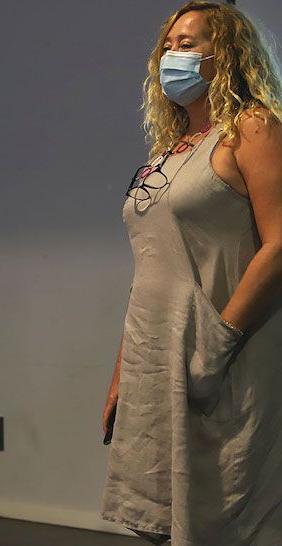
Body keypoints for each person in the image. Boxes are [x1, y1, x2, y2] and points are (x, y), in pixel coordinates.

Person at [101, 2, 282, 544]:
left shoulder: (252, 128)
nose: (172, 55)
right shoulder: (167, 151)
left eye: (189, 43)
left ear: (224, 54)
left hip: (228, 353)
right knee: (161, 514)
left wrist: (218, 339)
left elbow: (279, 243)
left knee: (226, 514)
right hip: (154, 355)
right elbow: (152, 268)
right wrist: (121, 374)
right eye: (168, 45)